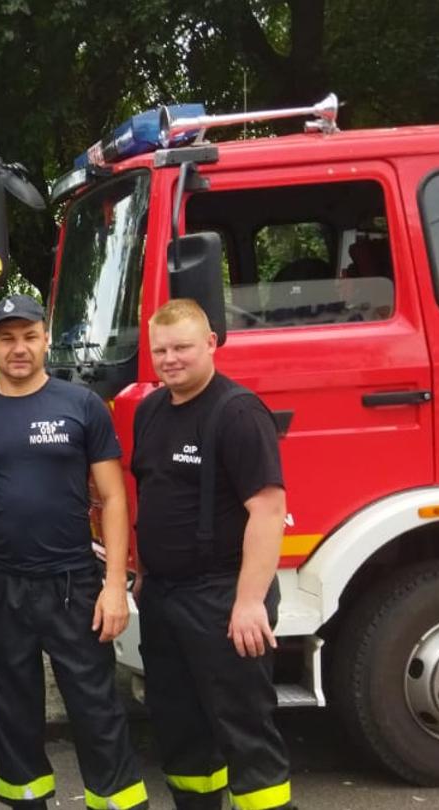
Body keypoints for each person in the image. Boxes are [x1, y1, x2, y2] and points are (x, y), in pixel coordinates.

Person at [0, 295, 148, 810]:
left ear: (45, 338)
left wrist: (112, 586)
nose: (19, 348)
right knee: (14, 718)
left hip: (73, 585)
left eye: (29, 336)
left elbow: (112, 498)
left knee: (97, 714)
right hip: (0, 587)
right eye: (7, 338)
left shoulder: (81, 404)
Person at [130, 299, 293, 810]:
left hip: (223, 597)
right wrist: (142, 570)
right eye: (160, 350)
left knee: (245, 731)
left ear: (210, 345)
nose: (170, 358)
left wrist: (248, 603)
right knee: (181, 732)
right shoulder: (151, 411)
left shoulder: (238, 413)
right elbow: (151, 495)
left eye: (181, 347)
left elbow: (268, 510)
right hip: (164, 597)